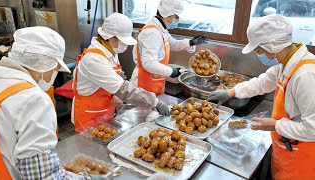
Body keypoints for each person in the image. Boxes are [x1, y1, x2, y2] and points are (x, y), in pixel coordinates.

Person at [208, 14, 315, 179]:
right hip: (285, 149)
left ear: (272, 45)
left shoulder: (306, 74)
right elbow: (262, 83)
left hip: (302, 158)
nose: (258, 53)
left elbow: (312, 128)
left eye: (258, 48)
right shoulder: (285, 64)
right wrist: (230, 93)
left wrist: (276, 125)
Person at [0, 26, 96, 179]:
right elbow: (44, 177)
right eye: (55, 69)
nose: (53, 76)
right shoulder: (33, 99)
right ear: (43, 61)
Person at [72, 13, 170, 132]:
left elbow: (118, 75)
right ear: (111, 37)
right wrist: (155, 102)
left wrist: (115, 94)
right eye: (122, 41)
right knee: (88, 149)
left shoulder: (110, 51)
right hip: (88, 116)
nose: (124, 46)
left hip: (104, 111)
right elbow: (123, 88)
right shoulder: (94, 59)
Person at [131, 0, 208, 95]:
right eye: (176, 17)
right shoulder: (152, 33)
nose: (177, 20)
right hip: (144, 83)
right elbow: (148, 63)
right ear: (167, 14)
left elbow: (173, 44)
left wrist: (191, 42)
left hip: (155, 80)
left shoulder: (161, 29)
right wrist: (172, 71)